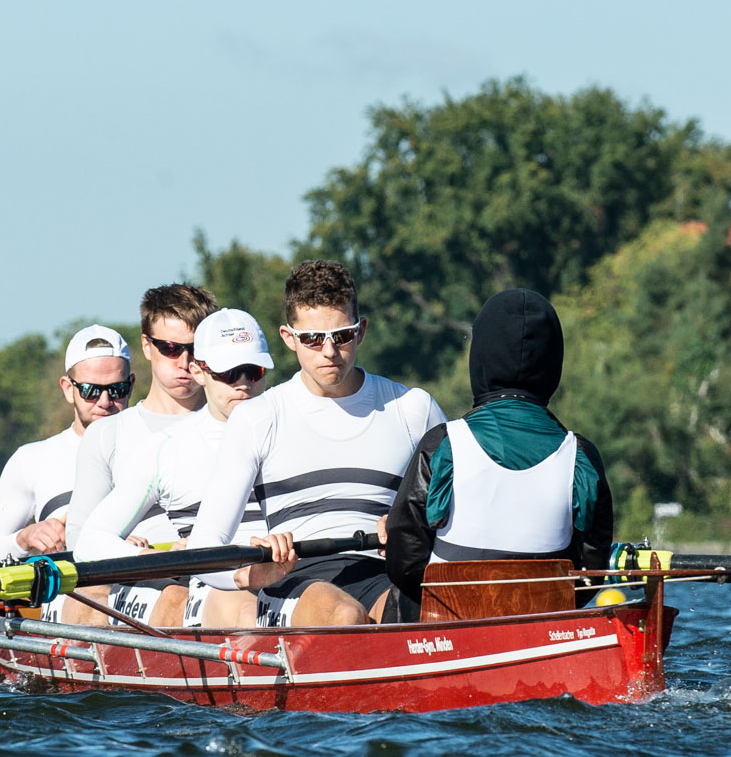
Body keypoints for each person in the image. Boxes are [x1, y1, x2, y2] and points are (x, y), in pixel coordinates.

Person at [187, 260, 442, 627]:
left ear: (362, 331)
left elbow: (460, 515)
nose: (328, 352)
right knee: (344, 615)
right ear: (289, 338)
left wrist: (411, 526)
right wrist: (249, 575)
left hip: (384, 572)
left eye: (342, 336)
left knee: (427, 608)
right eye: (311, 339)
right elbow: (203, 545)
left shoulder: (413, 408)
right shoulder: (258, 417)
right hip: (293, 579)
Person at [383, 288, 613, 619]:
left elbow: (404, 560)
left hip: (447, 625)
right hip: (542, 627)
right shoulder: (581, 456)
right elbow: (591, 571)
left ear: (480, 358)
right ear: (552, 364)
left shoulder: (443, 444)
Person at [70, 308, 275, 626]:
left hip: (293, 572)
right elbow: (89, 541)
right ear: (199, 371)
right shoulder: (166, 448)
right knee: (244, 612)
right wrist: (164, 560)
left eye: (254, 371)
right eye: (229, 372)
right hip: (213, 587)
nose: (244, 384)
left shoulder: (294, 426)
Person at [60, 283, 215, 620]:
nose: (185, 362)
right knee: (174, 597)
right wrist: (132, 554)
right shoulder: (107, 433)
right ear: (147, 345)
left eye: (194, 349)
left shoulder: (236, 422)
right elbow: (79, 538)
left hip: (221, 575)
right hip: (138, 578)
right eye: (171, 348)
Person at [0, 325, 133, 563]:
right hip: (72, 595)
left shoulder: (160, 449)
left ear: (131, 384)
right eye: (91, 390)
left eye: (117, 389)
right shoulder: (32, 460)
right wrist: (25, 538)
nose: (105, 401)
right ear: (69, 389)